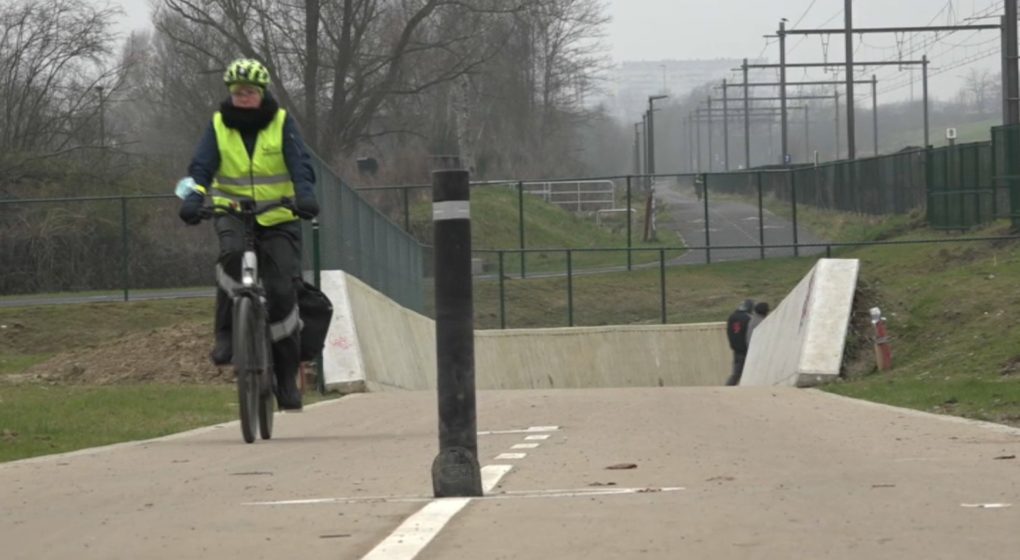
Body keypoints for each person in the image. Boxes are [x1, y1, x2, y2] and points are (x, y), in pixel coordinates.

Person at [178, 58, 319, 410]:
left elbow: (299, 163)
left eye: (250, 92)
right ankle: (226, 333)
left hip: (278, 216)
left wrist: (305, 195)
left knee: (282, 290)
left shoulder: (282, 122)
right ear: (231, 94)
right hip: (233, 212)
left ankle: (286, 377)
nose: (244, 97)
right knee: (230, 256)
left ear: (261, 93)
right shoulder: (218, 125)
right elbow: (201, 168)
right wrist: (194, 197)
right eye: (238, 92)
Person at [725, 299, 754, 386]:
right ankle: (726, 389)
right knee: (738, 373)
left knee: (736, 372)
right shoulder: (748, 318)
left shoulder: (732, 317)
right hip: (745, 350)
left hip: (735, 349)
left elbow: (729, 332)